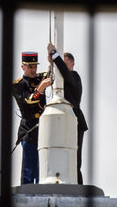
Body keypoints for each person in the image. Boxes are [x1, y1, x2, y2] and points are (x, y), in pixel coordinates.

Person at [48, 43, 88, 185]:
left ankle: (78, 186)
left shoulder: (74, 77)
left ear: (72, 64)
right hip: (62, 120)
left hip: (75, 121)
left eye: (65, 64)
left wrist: (54, 54)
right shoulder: (61, 79)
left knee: (75, 159)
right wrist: (53, 64)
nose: (62, 67)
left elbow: (66, 74)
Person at [11, 51, 50, 184]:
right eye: (30, 67)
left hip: (43, 130)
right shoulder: (18, 85)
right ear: (23, 67)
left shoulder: (39, 78)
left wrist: (51, 60)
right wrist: (40, 89)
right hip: (29, 131)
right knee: (28, 170)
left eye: (35, 66)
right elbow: (28, 102)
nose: (34, 70)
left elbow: (51, 73)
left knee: (42, 170)